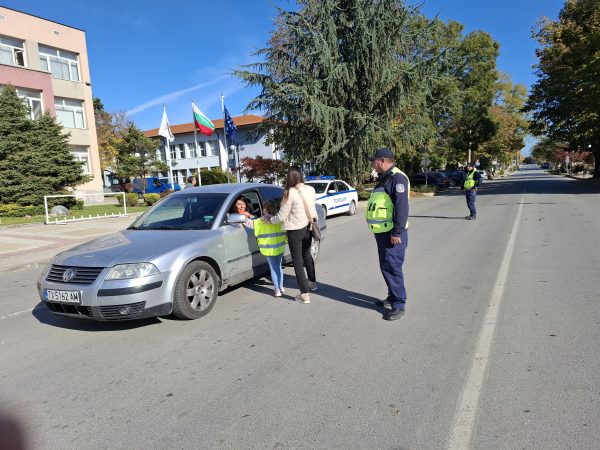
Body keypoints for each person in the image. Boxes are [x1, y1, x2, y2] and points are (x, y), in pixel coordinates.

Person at [366, 148, 410, 321]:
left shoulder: (397, 178)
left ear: (382, 160)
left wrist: (397, 231)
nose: (372, 164)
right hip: (383, 232)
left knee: (393, 267)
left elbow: (401, 207)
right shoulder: (384, 178)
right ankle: (392, 296)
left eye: (374, 161)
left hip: (393, 233)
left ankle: (399, 304)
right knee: (386, 266)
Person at [263, 166, 317, 304]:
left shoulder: (289, 192)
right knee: (307, 255)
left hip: (295, 230)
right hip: (309, 227)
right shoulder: (311, 189)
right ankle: (312, 283)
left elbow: (281, 216)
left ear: (290, 177)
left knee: (297, 261)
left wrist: (270, 219)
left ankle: (305, 294)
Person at [254, 199, 287, 297]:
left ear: (265, 210)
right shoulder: (279, 220)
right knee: (279, 267)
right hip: (280, 247)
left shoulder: (260, 221)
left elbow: (249, 223)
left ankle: (277, 290)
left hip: (268, 248)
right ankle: (281, 287)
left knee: (273, 268)